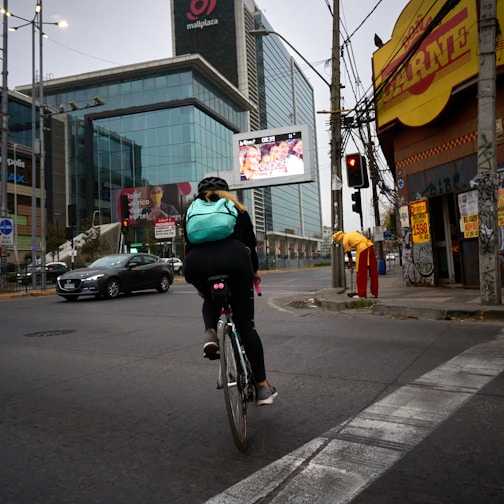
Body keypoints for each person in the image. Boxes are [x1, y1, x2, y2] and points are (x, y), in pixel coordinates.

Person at [183, 176, 278, 406]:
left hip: (196, 264)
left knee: (209, 297)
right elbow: (250, 243)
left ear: (200, 194)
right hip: (235, 261)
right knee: (246, 326)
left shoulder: (191, 210)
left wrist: (199, 283)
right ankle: (263, 387)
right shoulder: (237, 208)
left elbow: (187, 244)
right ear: (226, 192)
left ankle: (210, 333)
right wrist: (254, 270)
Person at [333, 230, 378, 299]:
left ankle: (361, 294)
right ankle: (374, 293)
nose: (339, 242)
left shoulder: (344, 241)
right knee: (373, 271)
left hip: (362, 249)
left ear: (338, 239)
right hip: (370, 246)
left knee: (361, 272)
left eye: (338, 241)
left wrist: (351, 267)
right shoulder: (351, 233)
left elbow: (349, 255)